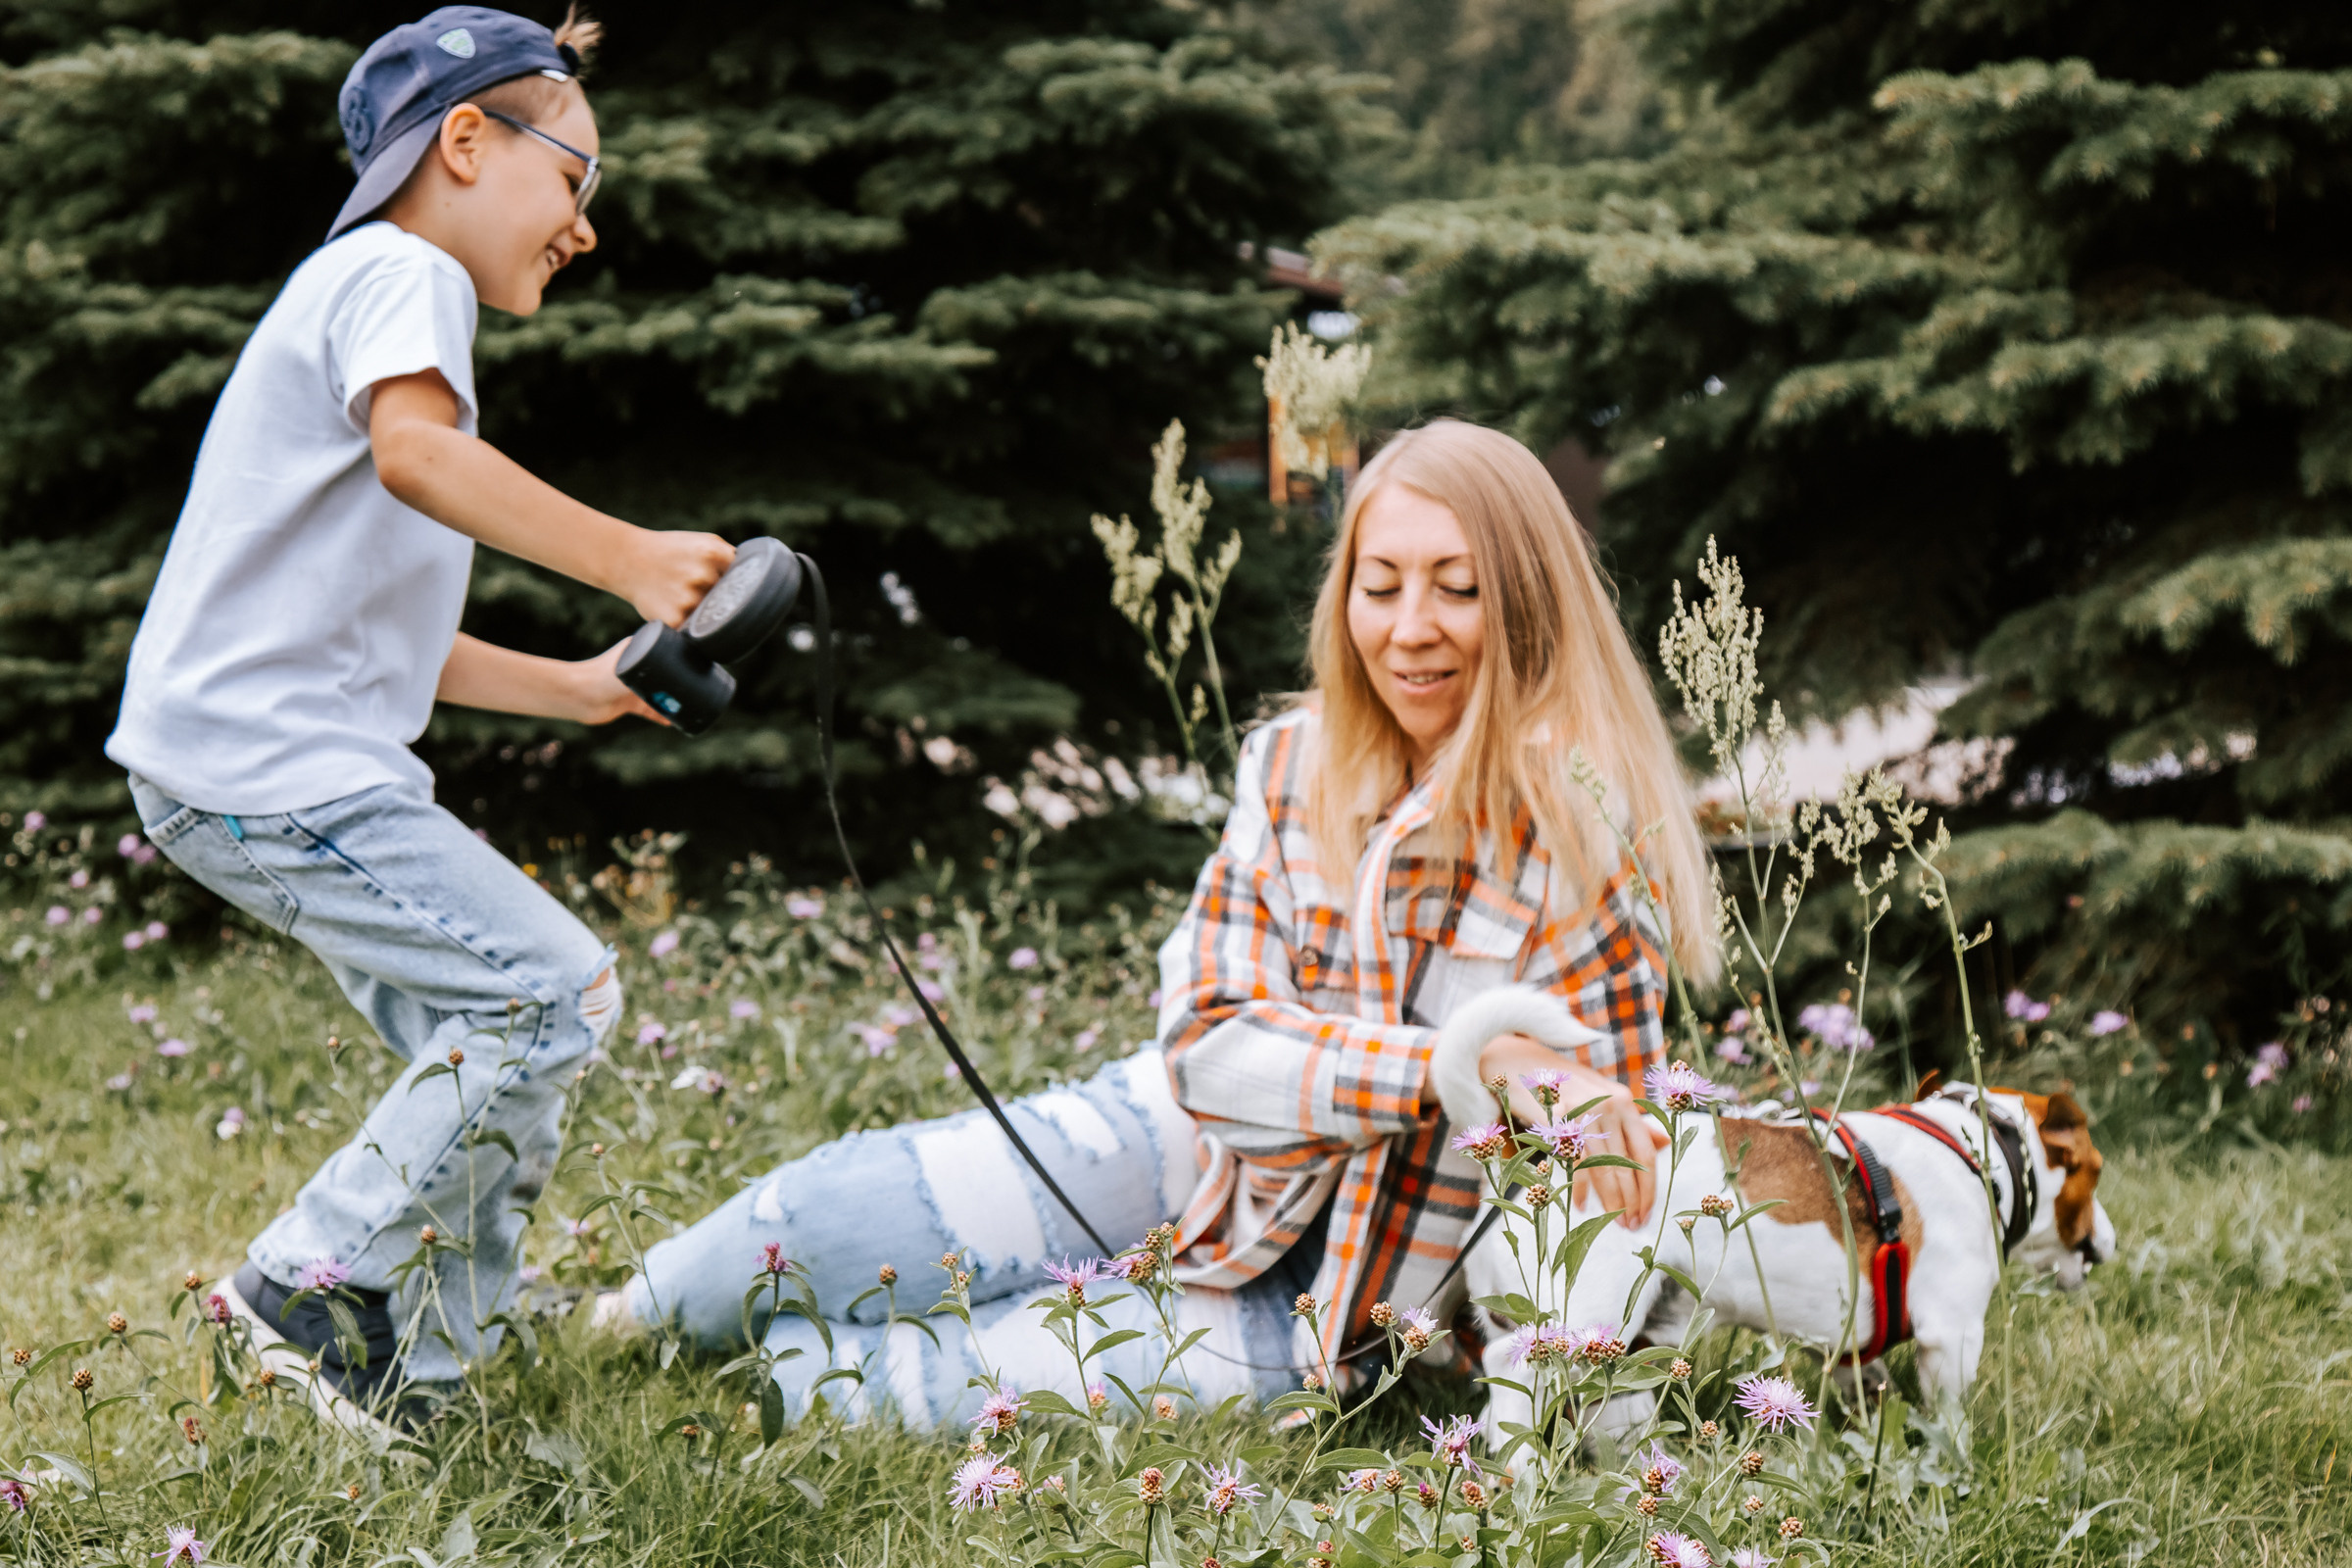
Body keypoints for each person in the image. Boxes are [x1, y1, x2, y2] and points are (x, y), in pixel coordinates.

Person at [604, 419, 1718, 1424]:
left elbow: (1607, 1189)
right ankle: (612, 1326)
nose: (1410, 629)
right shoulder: (1293, 763)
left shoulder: (1590, 831)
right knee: (831, 1215)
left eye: (1458, 588)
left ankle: (740, 1385)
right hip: (1199, 1154)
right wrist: (1458, 1063)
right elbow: (1210, 1042)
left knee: (907, 1384)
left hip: (1353, 1306)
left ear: (1528, 601)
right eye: (1380, 586)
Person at [104, 7, 732, 1432]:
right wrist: (627, 553)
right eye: (576, 178)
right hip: (267, 767)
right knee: (542, 992)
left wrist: (578, 685)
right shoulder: (396, 272)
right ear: (465, 141)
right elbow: (419, 459)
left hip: (252, 759)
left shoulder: (375, 299)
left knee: (504, 1042)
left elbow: (394, 633)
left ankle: (412, 1382)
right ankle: (302, 1286)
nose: (584, 227)